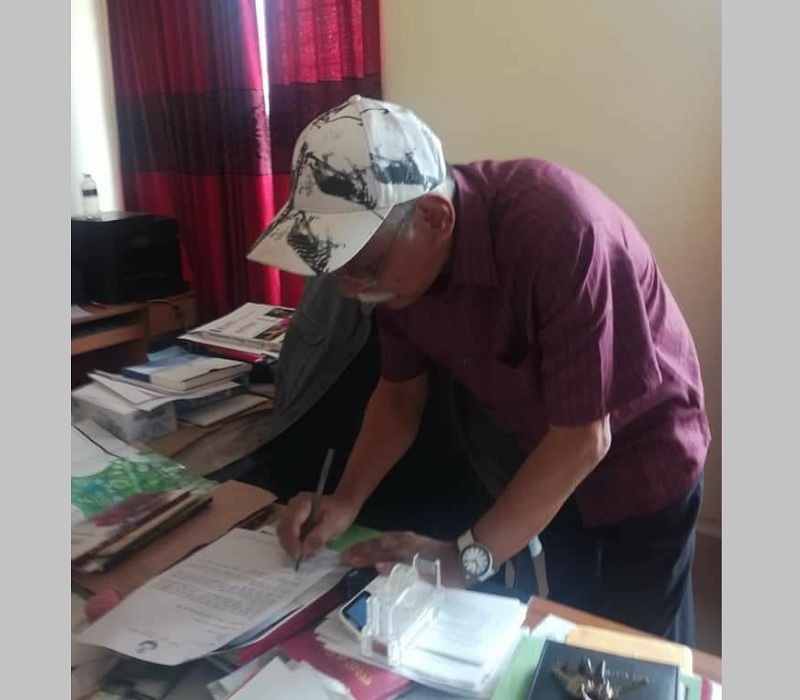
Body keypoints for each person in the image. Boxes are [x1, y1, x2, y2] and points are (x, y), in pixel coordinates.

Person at [247, 94, 711, 645]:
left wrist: (463, 557)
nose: (351, 289)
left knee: (639, 653)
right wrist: (345, 501)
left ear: (434, 218)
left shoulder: (559, 230)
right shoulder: (400, 274)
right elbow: (399, 396)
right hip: (544, 463)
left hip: (641, 456)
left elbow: (584, 439)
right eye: (340, 270)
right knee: (566, 634)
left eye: (364, 267)